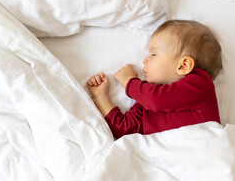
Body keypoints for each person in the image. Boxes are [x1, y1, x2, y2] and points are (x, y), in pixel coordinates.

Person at [87, 20, 223, 139]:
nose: (145, 60)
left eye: (153, 54)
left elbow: (156, 99)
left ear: (184, 65)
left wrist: (129, 82)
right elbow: (124, 128)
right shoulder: (147, 102)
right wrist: (101, 96)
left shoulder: (200, 84)